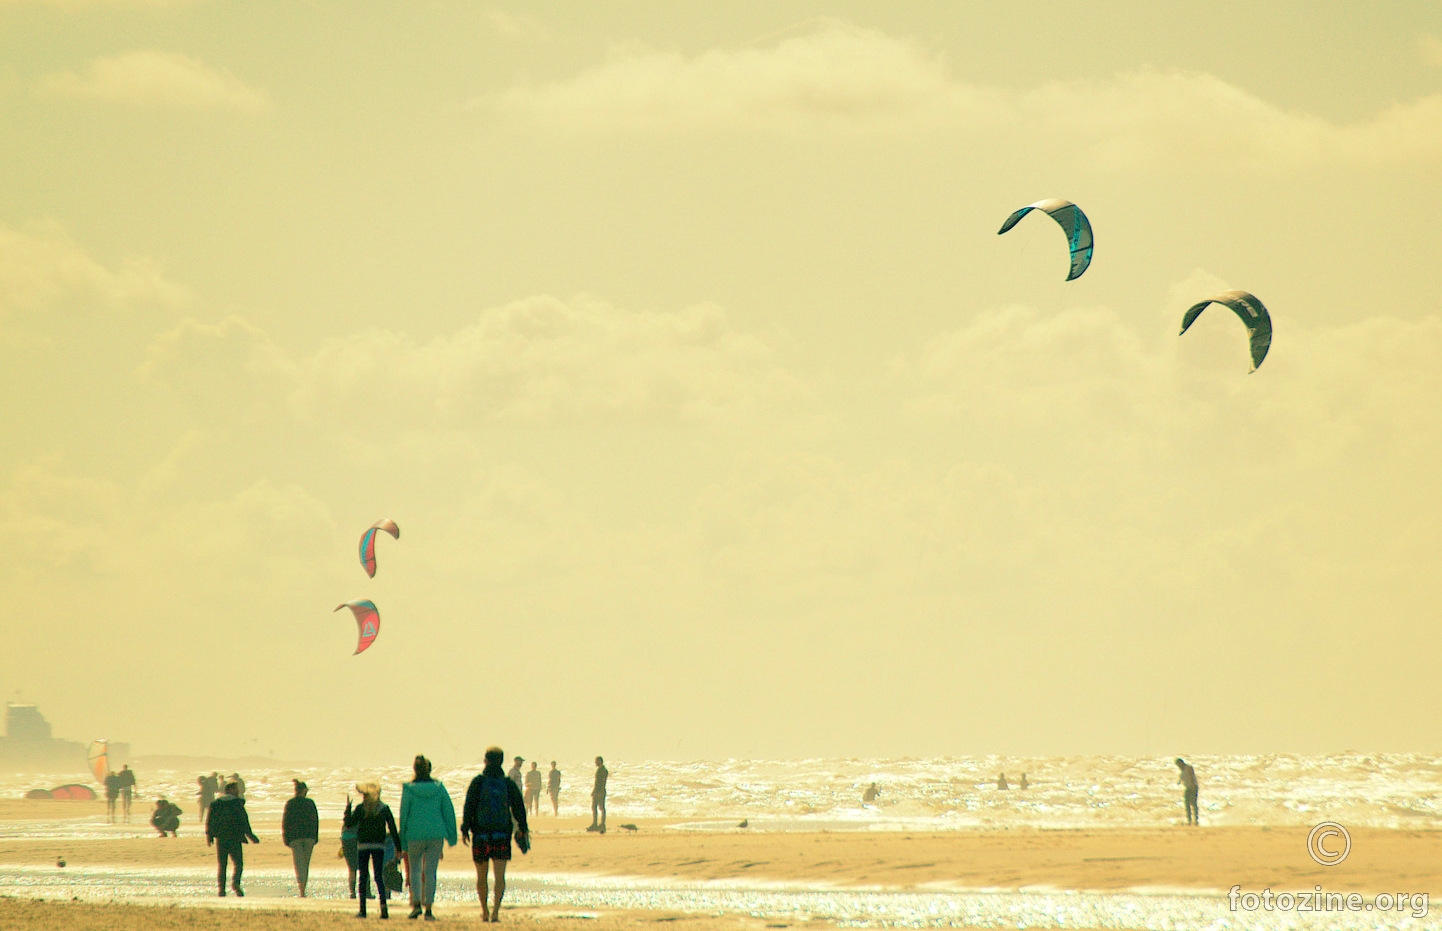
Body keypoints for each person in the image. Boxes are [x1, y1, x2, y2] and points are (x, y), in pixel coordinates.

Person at [462, 747, 529, 923]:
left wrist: (464, 828)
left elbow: (469, 806)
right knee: (500, 876)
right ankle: (496, 912)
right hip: (501, 834)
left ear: (486, 761)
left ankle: (484, 911)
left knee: (481, 876)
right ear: (501, 761)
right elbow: (518, 807)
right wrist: (523, 828)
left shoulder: (478, 782)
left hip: (481, 835)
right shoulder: (507, 783)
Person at [400, 754, 458, 921]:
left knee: (415, 870)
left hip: (414, 835)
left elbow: (404, 815)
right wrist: (451, 836)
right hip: (435, 834)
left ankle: (416, 904)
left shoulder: (409, 789)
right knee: (430, 871)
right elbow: (448, 812)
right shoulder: (439, 788)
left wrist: (402, 839)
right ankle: (429, 909)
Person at [346, 781, 400, 919]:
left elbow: (349, 824)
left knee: (363, 877)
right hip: (378, 846)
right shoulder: (383, 808)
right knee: (378, 877)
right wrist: (398, 848)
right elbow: (392, 828)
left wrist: (347, 808)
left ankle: (363, 910)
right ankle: (383, 909)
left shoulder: (361, 808)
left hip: (363, 845)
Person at [206, 779, 259, 897]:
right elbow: (244, 821)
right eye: (236, 789)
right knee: (238, 863)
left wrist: (209, 835)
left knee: (222, 864)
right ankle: (236, 883)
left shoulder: (217, 803)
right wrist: (250, 836)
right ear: (229, 790)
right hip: (235, 837)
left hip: (221, 837)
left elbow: (210, 820)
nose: (238, 791)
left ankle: (221, 889)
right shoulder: (237, 803)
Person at [282, 780, 320, 897]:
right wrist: (315, 836)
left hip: (295, 837)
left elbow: (286, 822)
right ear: (304, 791)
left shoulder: (290, 803)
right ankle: (303, 888)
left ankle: (301, 889)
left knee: (298, 864)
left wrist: (285, 837)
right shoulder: (310, 803)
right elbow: (315, 821)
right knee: (305, 863)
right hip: (309, 837)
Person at [341, 795, 361, 898]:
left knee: (351, 869)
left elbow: (343, 833)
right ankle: (365, 891)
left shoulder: (347, 820)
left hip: (346, 842)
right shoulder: (360, 817)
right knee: (362, 867)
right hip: (356, 842)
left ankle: (352, 892)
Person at [1176, 758, 1199, 826]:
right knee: (1187, 804)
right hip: (1187, 788)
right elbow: (1182, 779)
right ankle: (1189, 820)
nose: (1178, 766)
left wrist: (1193, 785)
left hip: (1193, 787)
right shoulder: (1181, 771)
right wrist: (1179, 781)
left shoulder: (1188, 767)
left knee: (1193, 804)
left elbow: (1192, 776)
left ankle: (1196, 820)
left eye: (1179, 764)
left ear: (1182, 763)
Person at [588, 756, 608, 833]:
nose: (595, 763)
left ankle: (602, 824)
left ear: (600, 761)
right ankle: (595, 824)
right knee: (594, 807)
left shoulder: (603, 770)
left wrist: (597, 791)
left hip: (600, 791)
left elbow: (601, 782)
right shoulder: (601, 770)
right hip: (598, 791)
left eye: (597, 761)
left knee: (601, 808)